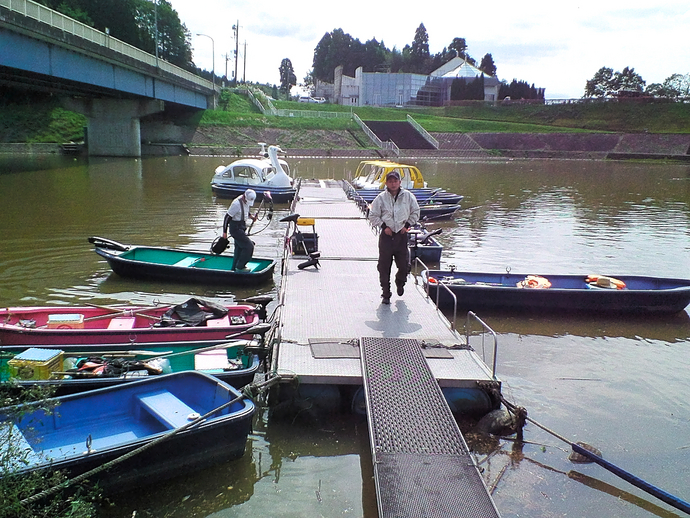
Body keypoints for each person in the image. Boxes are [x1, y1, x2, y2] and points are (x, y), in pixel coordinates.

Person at [368, 170, 420, 304]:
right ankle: (386, 293)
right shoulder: (380, 198)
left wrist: (407, 225)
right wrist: (384, 227)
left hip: (401, 236)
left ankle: (400, 281)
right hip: (386, 237)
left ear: (399, 182)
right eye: (390, 181)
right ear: (386, 183)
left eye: (395, 181)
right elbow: (372, 215)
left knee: (404, 266)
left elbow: (416, 212)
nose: (393, 184)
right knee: (383, 267)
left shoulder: (408, 196)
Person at [223, 189, 258, 271]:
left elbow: (245, 210)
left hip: (242, 226)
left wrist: (251, 216)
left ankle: (233, 269)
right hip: (235, 228)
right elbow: (227, 217)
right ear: (244, 197)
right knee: (249, 246)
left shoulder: (246, 201)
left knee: (239, 249)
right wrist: (224, 232)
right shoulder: (236, 204)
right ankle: (240, 266)